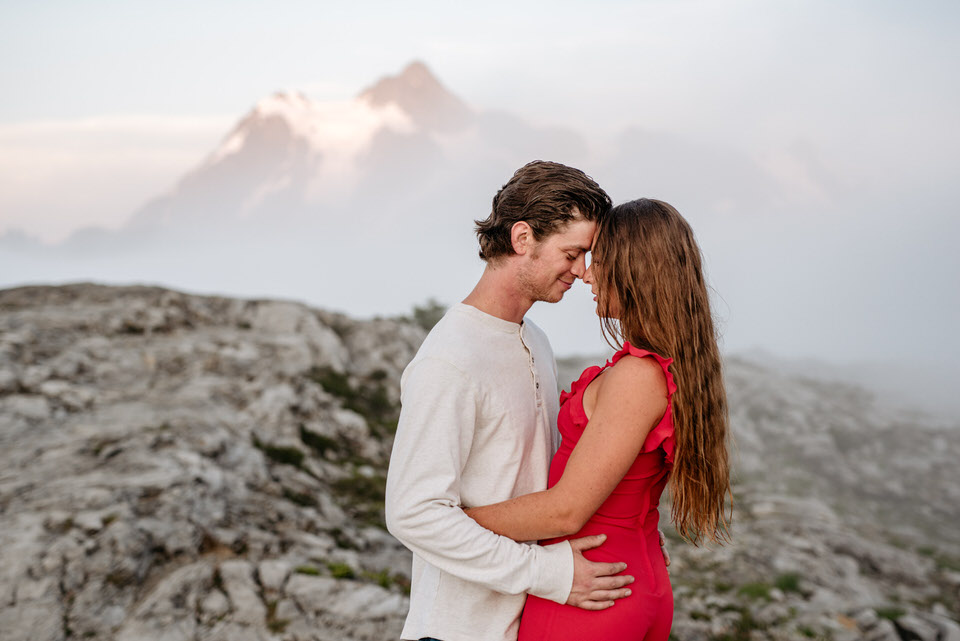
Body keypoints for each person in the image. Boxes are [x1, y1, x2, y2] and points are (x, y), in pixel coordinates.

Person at [386, 161, 649, 641]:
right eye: (572, 253)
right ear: (522, 238)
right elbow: (412, 513)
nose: (582, 271)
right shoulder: (450, 359)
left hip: (527, 622)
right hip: (455, 630)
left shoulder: (537, 341)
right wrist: (547, 573)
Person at [464, 198, 732, 641]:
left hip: (592, 595)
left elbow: (566, 511)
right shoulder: (662, 368)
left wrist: (452, 523)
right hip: (629, 581)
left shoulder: (636, 377)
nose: (587, 272)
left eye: (600, 260)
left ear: (635, 271)